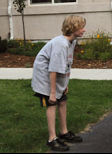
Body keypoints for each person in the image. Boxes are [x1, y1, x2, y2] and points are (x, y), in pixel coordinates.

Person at [31, 15, 86, 151]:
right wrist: (53, 92)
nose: (84, 30)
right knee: (52, 103)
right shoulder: (60, 44)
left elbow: (65, 64)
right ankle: (52, 139)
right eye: (81, 27)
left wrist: (64, 85)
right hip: (45, 79)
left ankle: (64, 132)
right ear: (73, 28)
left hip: (55, 78)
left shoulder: (71, 42)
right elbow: (53, 70)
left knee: (63, 101)